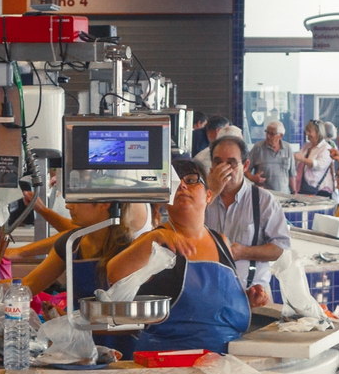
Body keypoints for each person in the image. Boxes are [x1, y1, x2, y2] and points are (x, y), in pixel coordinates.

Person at [107, 161, 252, 353]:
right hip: (169, 362)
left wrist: (247, 298)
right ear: (165, 199)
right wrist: (153, 238)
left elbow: (216, 303)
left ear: (209, 195)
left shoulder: (221, 242)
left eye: (191, 180)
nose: (182, 186)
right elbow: (114, 274)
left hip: (225, 360)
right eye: (175, 183)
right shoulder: (155, 241)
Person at [204, 134, 293, 308]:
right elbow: (180, 236)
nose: (224, 168)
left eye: (231, 162)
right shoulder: (200, 200)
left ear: (245, 166)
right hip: (207, 296)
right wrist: (211, 192)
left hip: (252, 297)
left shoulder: (263, 200)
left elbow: (281, 249)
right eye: (218, 162)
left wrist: (244, 252)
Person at [21, 201, 132, 303]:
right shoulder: (71, 242)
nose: (68, 206)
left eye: (77, 200)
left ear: (104, 203)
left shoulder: (129, 249)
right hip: (77, 322)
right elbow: (29, 285)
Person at [248, 120, 297, 193]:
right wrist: (252, 178)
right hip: (263, 195)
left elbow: (292, 174)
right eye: (267, 132)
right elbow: (245, 169)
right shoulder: (258, 148)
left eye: (272, 134)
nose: (268, 136)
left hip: (284, 195)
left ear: (280, 136)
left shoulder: (287, 148)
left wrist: (294, 192)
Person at [293, 119, 336, 197]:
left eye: (309, 131)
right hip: (304, 188)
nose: (307, 133)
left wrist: (302, 159)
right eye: (306, 131)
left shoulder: (326, 148)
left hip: (320, 190)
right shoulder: (306, 146)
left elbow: (320, 165)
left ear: (318, 132)